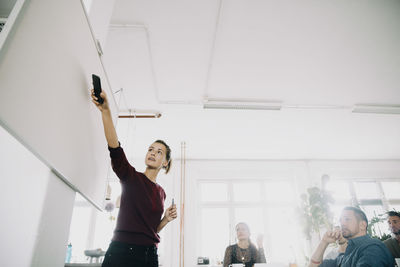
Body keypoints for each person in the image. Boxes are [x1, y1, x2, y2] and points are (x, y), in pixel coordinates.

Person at [91, 90, 177, 267]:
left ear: (166, 163)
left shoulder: (162, 193)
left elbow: (151, 229)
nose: (152, 153)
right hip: (122, 252)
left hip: (150, 254)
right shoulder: (131, 177)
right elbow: (115, 148)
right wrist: (106, 111)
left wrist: (166, 219)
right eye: (150, 149)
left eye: (159, 152)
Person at [308, 206, 394, 267]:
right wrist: (324, 242)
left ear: (362, 225)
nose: (342, 223)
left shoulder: (373, 247)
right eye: (341, 220)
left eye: (347, 219)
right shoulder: (345, 255)